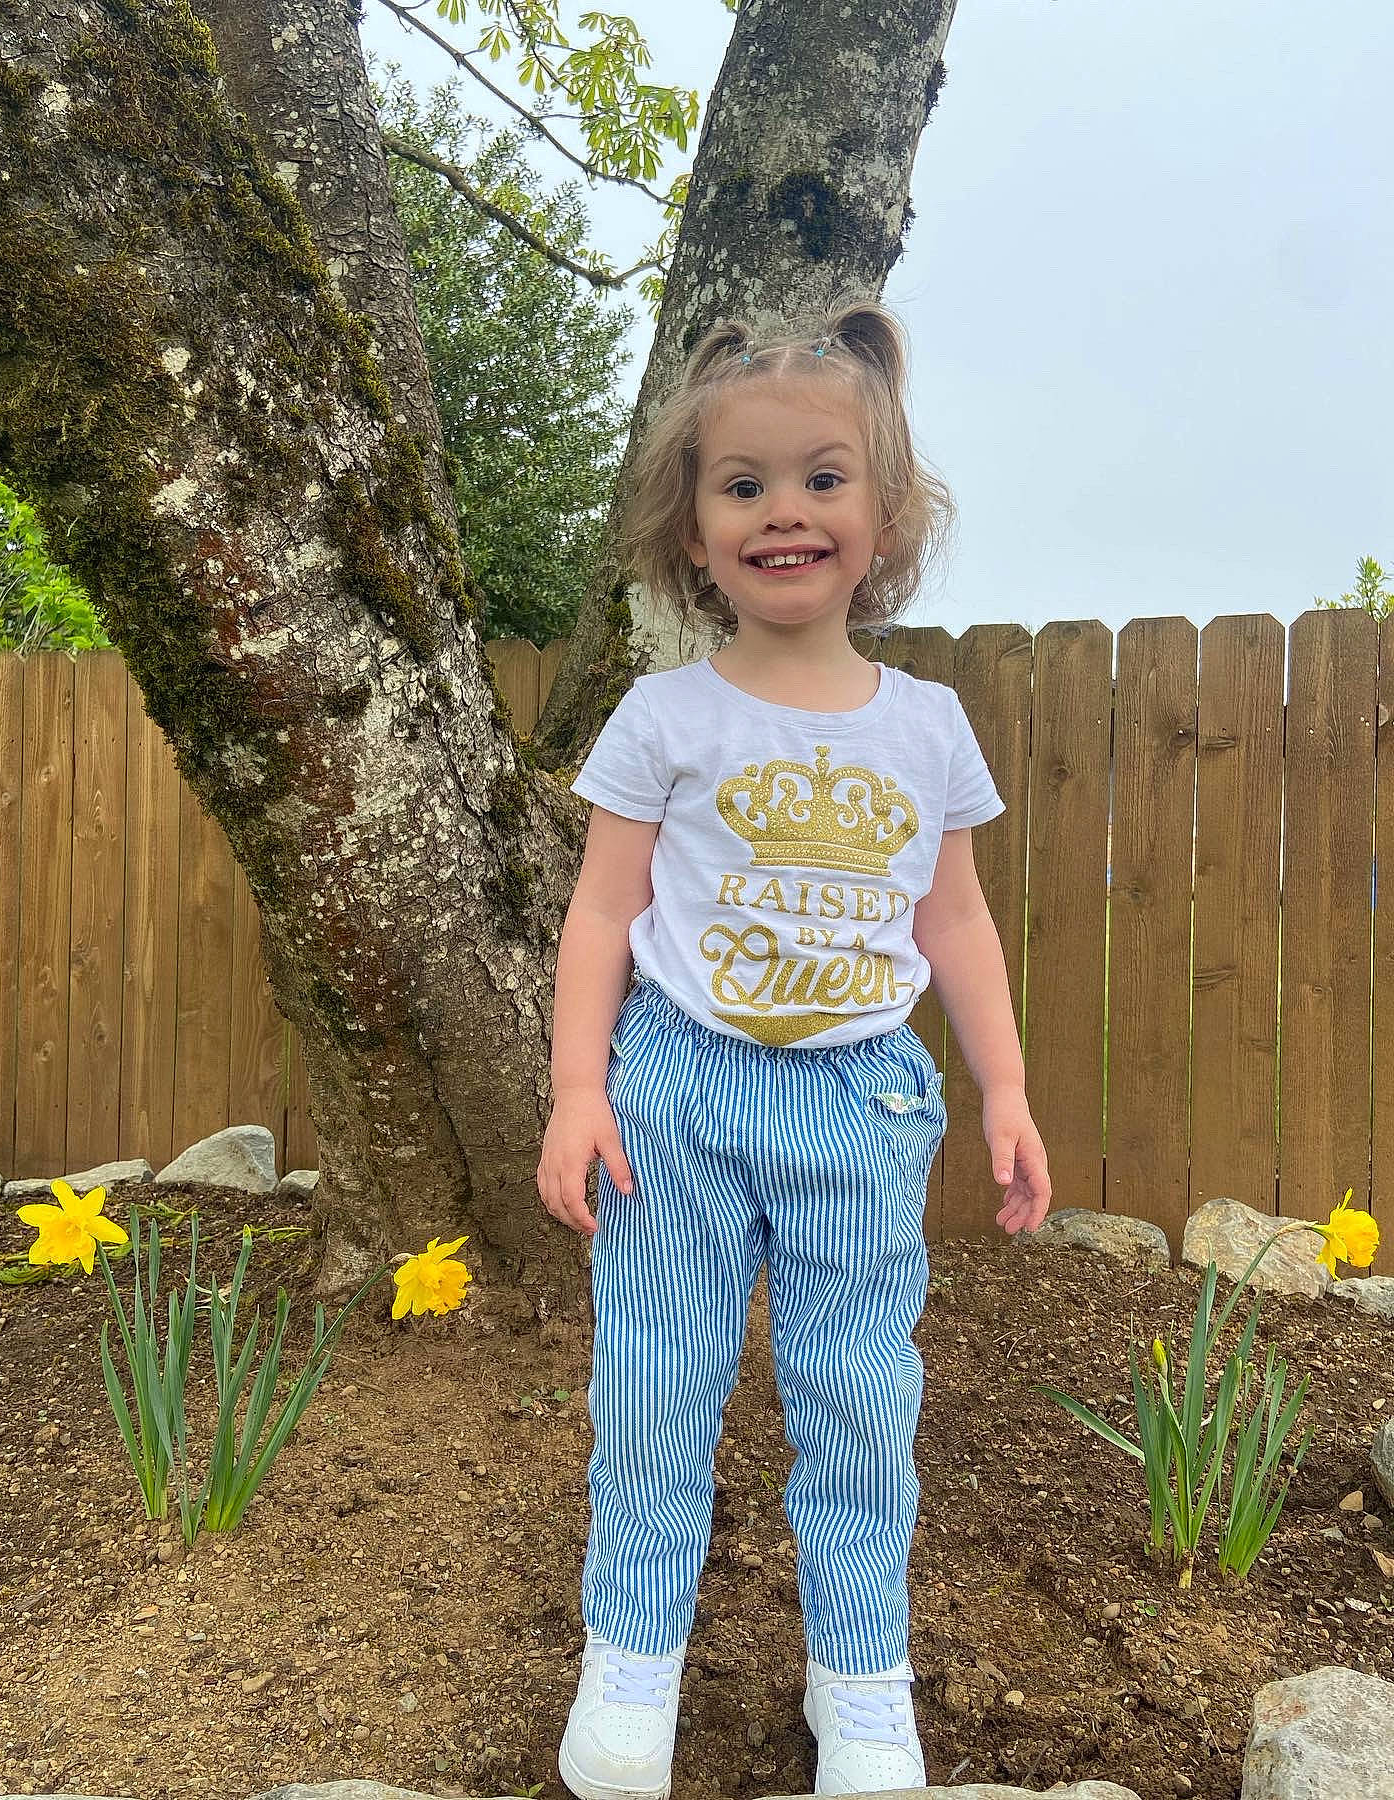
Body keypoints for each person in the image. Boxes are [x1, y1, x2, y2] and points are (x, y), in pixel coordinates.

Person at [538, 293, 1053, 1800]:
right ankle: (631, 1663)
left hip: (861, 1099)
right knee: (650, 1386)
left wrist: (1006, 1087)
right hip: (677, 1089)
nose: (784, 513)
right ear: (690, 532)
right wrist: (579, 1090)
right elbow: (597, 918)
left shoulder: (928, 728)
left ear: (883, 517)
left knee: (856, 1404)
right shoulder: (661, 716)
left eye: (824, 479)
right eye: (743, 486)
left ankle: (863, 1685)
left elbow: (955, 925)